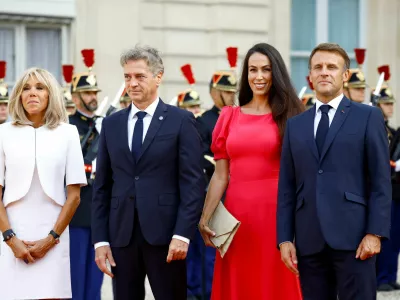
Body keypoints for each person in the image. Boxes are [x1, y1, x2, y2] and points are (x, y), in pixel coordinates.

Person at [277, 43, 391, 300]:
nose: (324, 72)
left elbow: (380, 182)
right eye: (318, 67)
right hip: (309, 241)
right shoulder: (296, 126)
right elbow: (287, 187)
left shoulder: (368, 117)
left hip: (356, 240)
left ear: (345, 75)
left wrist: (375, 233)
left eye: (332, 67)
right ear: (310, 76)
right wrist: (284, 239)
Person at [91, 45, 205, 300]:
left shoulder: (181, 121)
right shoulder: (111, 124)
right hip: (122, 236)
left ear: (158, 76)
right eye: (127, 77)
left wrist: (182, 234)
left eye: (139, 76)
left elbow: (192, 184)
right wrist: (100, 241)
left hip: (167, 237)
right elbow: (102, 187)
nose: (132, 83)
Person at [199, 42, 304, 300]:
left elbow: (303, 174)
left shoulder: (292, 116)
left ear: (275, 74)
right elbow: (221, 175)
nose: (258, 76)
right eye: (252, 70)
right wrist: (205, 216)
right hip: (236, 220)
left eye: (266, 70)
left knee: (275, 283)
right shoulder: (229, 116)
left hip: (276, 215)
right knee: (239, 285)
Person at [0, 67, 87, 299]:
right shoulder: (3, 133)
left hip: (54, 233)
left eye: (40, 88)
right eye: (26, 89)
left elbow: (75, 196)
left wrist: (50, 239)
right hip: (11, 234)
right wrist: (10, 239)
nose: (32, 93)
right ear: (18, 95)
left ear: (51, 95)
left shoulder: (68, 134)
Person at [68, 49, 104, 300]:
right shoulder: (67, 126)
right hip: (77, 210)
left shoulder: (106, 124)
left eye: (94, 92)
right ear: (76, 96)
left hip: (101, 209)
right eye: (88, 93)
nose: (93, 97)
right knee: (75, 276)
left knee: (96, 278)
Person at [375, 66, 400, 292]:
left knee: (394, 237)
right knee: (383, 235)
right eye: (386, 103)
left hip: (394, 186)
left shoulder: (392, 130)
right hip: (381, 188)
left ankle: (389, 275)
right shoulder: (375, 126)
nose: (390, 107)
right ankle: (381, 277)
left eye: (391, 103)